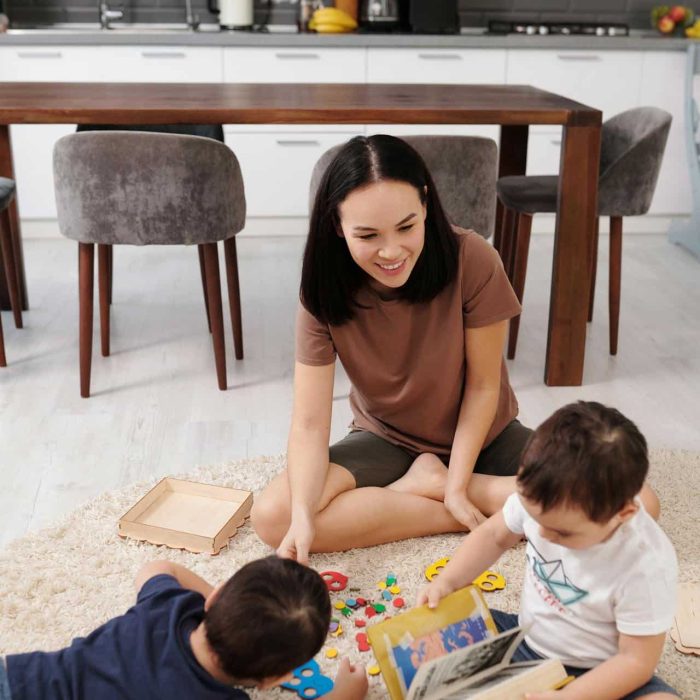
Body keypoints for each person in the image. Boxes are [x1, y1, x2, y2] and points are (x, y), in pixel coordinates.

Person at [252, 134, 534, 562]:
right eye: (367, 235)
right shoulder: (323, 291)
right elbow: (310, 424)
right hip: (385, 441)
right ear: (336, 226)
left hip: (484, 439)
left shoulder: (473, 259)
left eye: (406, 227)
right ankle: (477, 509)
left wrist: (457, 484)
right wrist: (305, 516)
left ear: (424, 204)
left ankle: (454, 491)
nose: (391, 251)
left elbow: (482, 388)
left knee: (635, 503)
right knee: (274, 517)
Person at [418, 401, 678, 700]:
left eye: (562, 531)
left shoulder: (646, 565)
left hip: (601, 672)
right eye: (536, 519)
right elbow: (493, 535)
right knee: (429, 632)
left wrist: (573, 696)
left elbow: (635, 662)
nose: (541, 534)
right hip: (523, 638)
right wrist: (448, 581)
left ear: (623, 513)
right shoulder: (541, 497)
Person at [0, 556, 368, 700]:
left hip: (20, 681)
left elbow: (159, 567)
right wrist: (343, 695)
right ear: (273, 679)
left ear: (215, 596)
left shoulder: (169, 608)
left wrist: (223, 605)